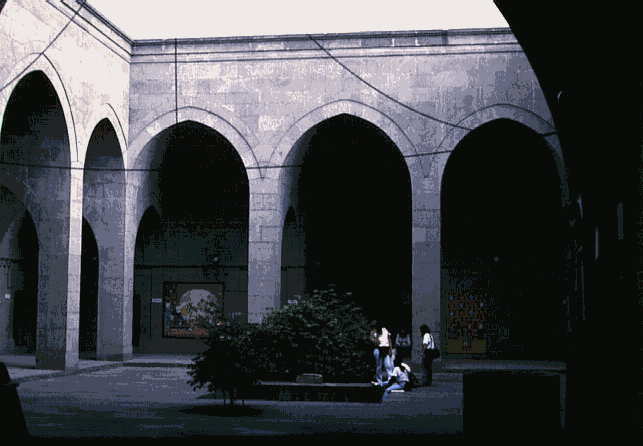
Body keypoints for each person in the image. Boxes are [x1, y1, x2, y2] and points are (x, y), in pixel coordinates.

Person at [370, 320, 393, 386]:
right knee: (379, 365)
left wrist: (390, 349)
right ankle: (379, 380)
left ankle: (390, 378)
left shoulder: (385, 330)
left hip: (386, 348)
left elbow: (389, 339)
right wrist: (376, 335)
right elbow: (376, 343)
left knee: (388, 364)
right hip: (379, 349)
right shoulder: (375, 332)